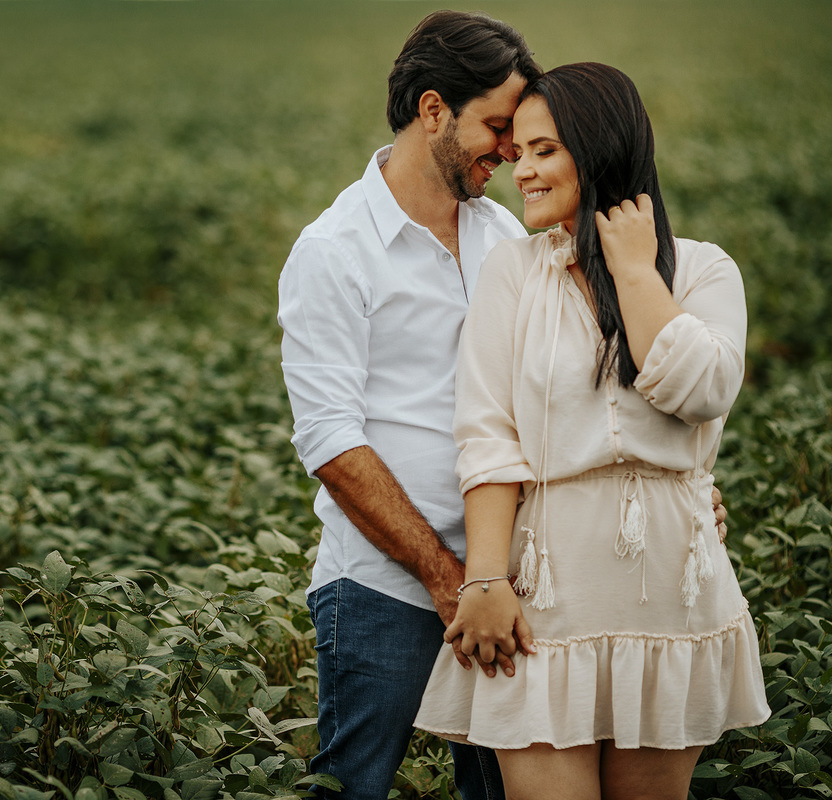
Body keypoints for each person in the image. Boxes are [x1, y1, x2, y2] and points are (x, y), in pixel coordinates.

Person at [412, 63, 771, 800]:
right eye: (521, 154)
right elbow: (487, 437)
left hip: (672, 597)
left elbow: (701, 390)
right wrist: (485, 578)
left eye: (546, 151)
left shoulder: (703, 271)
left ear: (599, 148)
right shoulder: (513, 274)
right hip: (546, 600)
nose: (525, 172)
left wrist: (635, 271)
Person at [277, 11, 540, 800]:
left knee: (500, 792)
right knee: (352, 786)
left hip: (507, 584)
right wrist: (441, 572)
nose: (510, 149)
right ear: (434, 112)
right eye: (496, 126)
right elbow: (330, 441)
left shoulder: (506, 238)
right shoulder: (334, 250)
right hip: (379, 589)